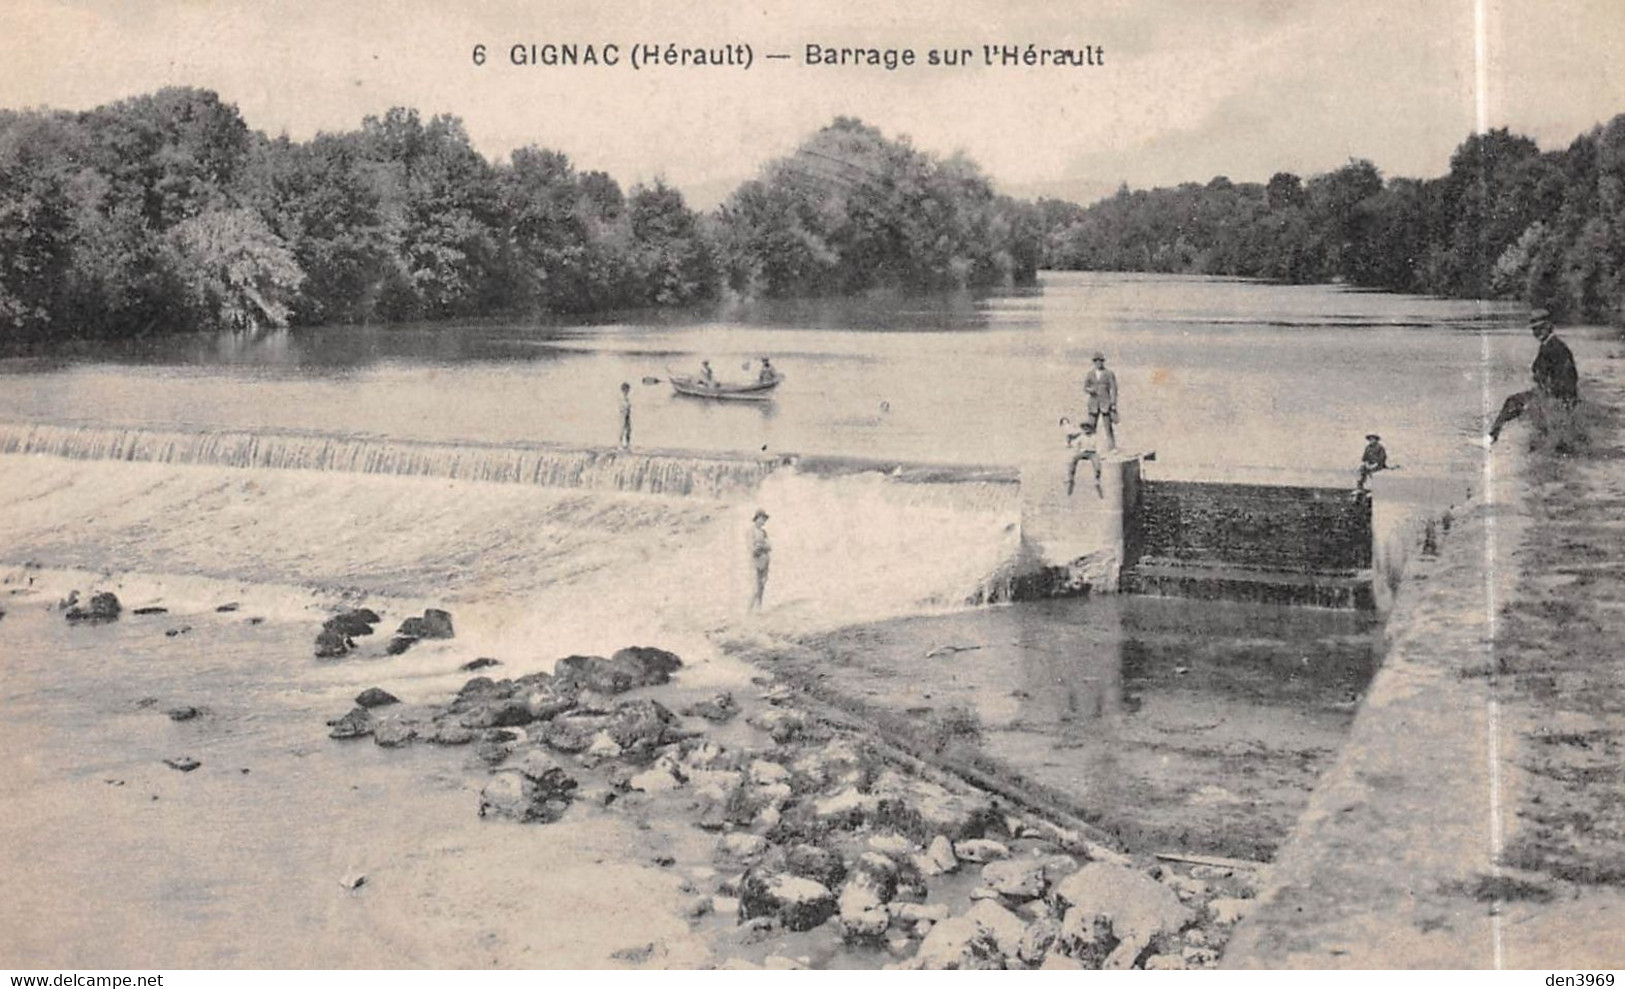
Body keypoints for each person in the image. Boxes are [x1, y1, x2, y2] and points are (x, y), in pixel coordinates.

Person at [1488, 309, 1579, 444]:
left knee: (1512, 403)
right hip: (1552, 394)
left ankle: (1492, 437)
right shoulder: (1548, 345)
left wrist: (1549, 395)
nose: (1536, 332)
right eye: (1534, 329)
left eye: (1540, 328)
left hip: (1556, 396)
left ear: (1549, 326)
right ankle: (1494, 436)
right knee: (1515, 403)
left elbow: (1569, 378)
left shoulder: (1555, 348)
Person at [1084, 351, 1119, 451]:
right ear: (1094, 362)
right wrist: (1091, 390)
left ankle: (1112, 448)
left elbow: (1114, 389)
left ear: (1103, 362)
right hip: (1093, 404)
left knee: (1108, 427)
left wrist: (1113, 403)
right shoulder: (1090, 374)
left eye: (1100, 361)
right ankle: (1089, 447)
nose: (1098, 363)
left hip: (1106, 404)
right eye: (1096, 361)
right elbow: (1085, 387)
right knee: (1090, 427)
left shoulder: (1109, 373)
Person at [1061, 416, 1103, 498]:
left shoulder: (1094, 436)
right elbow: (1076, 445)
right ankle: (1070, 478)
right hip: (1083, 452)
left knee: (1097, 465)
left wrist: (1099, 454)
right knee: (1073, 460)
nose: (1086, 429)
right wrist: (1075, 451)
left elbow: (1099, 446)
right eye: (1084, 428)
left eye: (1087, 427)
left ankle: (1097, 479)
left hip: (1092, 453)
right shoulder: (1081, 436)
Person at [748, 508, 771, 611]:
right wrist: (760, 547)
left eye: (764, 519)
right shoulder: (751, 531)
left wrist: (763, 546)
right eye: (762, 519)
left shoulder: (764, 532)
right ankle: (749, 609)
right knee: (756, 587)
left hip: (765, 560)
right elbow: (751, 548)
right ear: (757, 519)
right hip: (755, 561)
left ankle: (759, 608)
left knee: (762, 584)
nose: (763, 521)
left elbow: (769, 546)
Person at [618, 382, 632, 449]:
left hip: (627, 414)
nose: (628, 391)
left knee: (628, 429)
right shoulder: (622, 398)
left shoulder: (626, 398)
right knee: (623, 428)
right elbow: (621, 408)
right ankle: (621, 443)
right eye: (627, 390)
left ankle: (627, 443)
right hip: (623, 414)